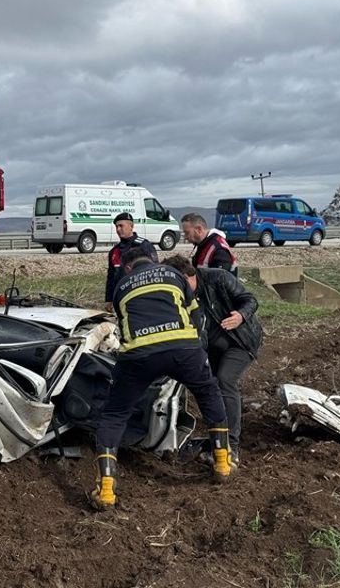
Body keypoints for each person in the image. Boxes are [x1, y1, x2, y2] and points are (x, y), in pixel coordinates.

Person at [89, 254, 231, 510]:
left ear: (130, 267)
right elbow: (197, 317)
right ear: (154, 263)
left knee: (114, 414)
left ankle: (106, 490)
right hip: (183, 350)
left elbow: (124, 325)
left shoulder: (122, 285)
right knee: (209, 392)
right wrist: (197, 351)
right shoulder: (174, 276)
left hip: (140, 356)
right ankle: (222, 462)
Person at [163, 254, 260, 466]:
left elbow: (250, 299)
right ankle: (219, 434)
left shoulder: (218, 278)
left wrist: (240, 316)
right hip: (210, 348)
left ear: (188, 276)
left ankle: (231, 448)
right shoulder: (177, 295)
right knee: (211, 386)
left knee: (225, 380)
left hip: (240, 341)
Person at [104, 212, 157, 311]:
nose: (118, 229)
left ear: (131, 226)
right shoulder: (114, 251)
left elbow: (154, 271)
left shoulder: (144, 246)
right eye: (116, 227)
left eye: (121, 226)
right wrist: (109, 299)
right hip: (121, 297)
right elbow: (111, 277)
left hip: (141, 296)